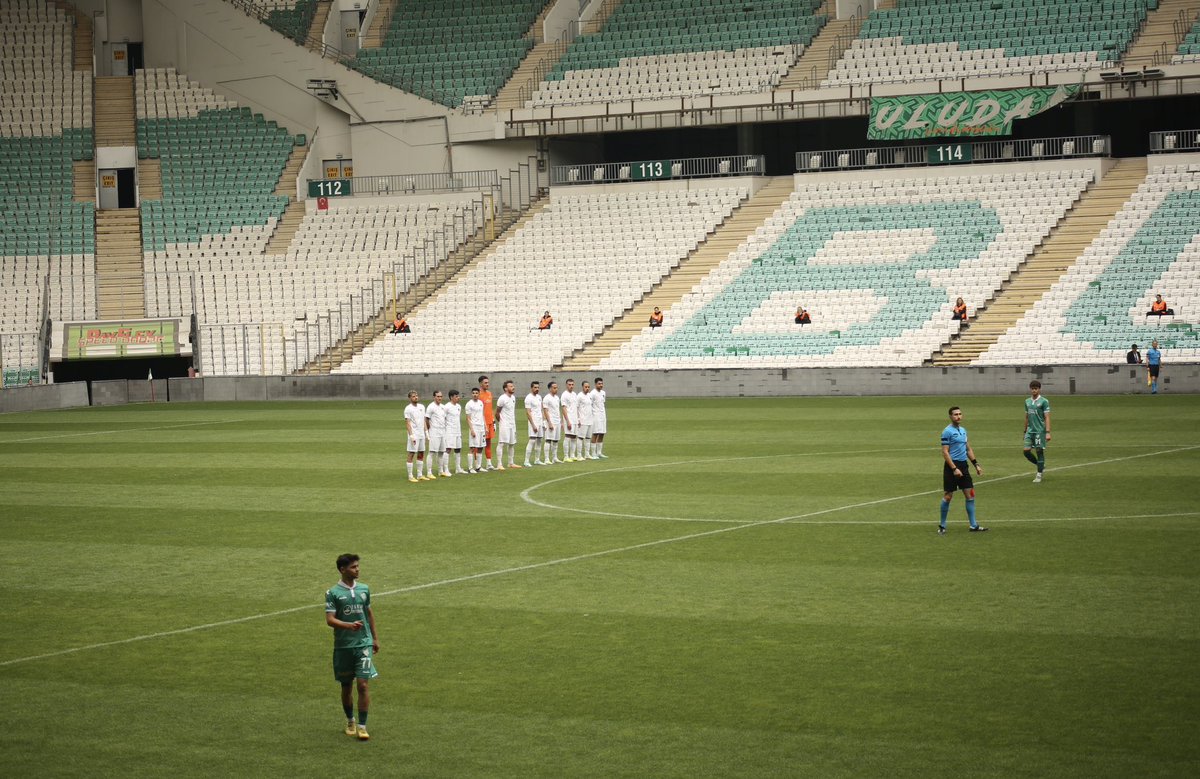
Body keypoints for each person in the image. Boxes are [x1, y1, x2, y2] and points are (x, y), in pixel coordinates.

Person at [324, 553, 379, 741]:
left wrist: (374, 639)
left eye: (357, 566)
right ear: (342, 570)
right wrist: (349, 626)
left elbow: (369, 613)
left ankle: (363, 726)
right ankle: (350, 720)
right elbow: (330, 620)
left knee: (363, 685)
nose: (358, 569)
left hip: (363, 645)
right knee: (346, 687)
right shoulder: (332, 593)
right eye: (354, 567)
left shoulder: (364, 589)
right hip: (343, 647)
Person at [939, 405, 986, 534]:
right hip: (951, 467)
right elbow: (945, 452)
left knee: (970, 495)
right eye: (955, 414)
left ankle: (973, 525)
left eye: (960, 414)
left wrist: (976, 464)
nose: (958, 416)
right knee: (948, 496)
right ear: (950, 416)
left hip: (964, 466)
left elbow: (968, 449)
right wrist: (954, 468)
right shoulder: (947, 432)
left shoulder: (963, 430)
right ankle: (942, 526)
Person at [1021, 380, 1051, 483]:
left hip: (1039, 431)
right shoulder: (1027, 402)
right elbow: (1026, 417)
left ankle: (1039, 475)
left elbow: (1047, 417)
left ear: (1039, 389)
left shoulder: (1044, 401)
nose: (1034, 390)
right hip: (1030, 431)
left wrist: (1047, 432)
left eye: (1036, 388)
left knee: (1039, 450)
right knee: (1026, 451)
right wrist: (1025, 431)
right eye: (1032, 388)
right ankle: (1040, 464)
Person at [495, 380, 520, 469]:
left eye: (513, 386)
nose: (513, 387)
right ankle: (499, 464)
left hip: (512, 424)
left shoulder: (513, 397)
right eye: (510, 386)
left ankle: (511, 463)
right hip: (504, 424)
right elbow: (497, 412)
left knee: (512, 443)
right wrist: (501, 422)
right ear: (506, 388)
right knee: (502, 443)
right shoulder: (502, 398)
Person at [404, 390, 427, 483]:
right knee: (411, 453)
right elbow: (407, 423)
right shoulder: (408, 409)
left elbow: (424, 420)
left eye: (416, 395)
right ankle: (410, 476)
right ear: (410, 398)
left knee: (421, 453)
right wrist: (411, 435)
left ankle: (420, 474)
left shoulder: (422, 407)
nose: (416, 397)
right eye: (413, 396)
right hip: (414, 434)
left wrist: (427, 433)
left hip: (421, 434)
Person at [425, 390, 447, 479]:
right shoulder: (431, 407)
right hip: (434, 432)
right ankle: (429, 472)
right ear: (434, 397)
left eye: (441, 396)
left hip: (442, 432)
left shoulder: (443, 407)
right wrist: (429, 430)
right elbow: (426, 419)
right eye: (438, 396)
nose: (440, 398)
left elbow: (444, 419)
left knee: (441, 452)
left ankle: (440, 471)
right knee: (432, 452)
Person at [465, 387, 486, 473]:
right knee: (472, 448)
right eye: (473, 393)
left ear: (479, 394)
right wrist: (472, 430)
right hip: (474, 427)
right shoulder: (469, 404)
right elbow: (468, 418)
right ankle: (470, 468)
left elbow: (482, 415)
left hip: (481, 427)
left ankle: (478, 466)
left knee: (481, 447)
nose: (475, 394)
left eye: (476, 393)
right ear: (471, 394)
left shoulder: (481, 403)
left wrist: (485, 426)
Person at [523, 381, 544, 467]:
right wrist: (533, 424)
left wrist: (543, 422)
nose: (537, 389)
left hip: (540, 421)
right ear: (531, 388)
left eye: (538, 387)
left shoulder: (539, 397)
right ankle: (526, 461)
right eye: (535, 387)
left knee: (539, 440)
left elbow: (541, 410)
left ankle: (537, 459)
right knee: (532, 440)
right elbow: (528, 412)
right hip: (533, 421)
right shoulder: (528, 398)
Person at [444, 390, 465, 475]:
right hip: (449, 431)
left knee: (458, 449)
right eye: (456, 396)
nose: (458, 397)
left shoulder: (458, 406)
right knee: (448, 449)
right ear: (451, 397)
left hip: (457, 431)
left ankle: (458, 468)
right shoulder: (446, 407)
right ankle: (445, 469)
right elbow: (443, 419)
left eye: (458, 396)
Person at [542, 380, 562, 464]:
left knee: (556, 440)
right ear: (550, 389)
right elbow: (545, 411)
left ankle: (554, 457)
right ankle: (546, 459)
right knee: (548, 440)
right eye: (554, 388)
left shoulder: (557, 398)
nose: (556, 389)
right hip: (551, 421)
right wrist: (549, 422)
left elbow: (557, 409)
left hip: (557, 421)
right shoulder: (547, 398)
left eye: (556, 387)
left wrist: (560, 420)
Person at [478, 375, 496, 469]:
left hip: (489, 422)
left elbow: (490, 408)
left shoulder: (489, 393)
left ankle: (489, 463)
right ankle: (478, 465)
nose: (487, 384)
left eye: (488, 382)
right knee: (479, 443)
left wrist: (493, 420)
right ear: (480, 383)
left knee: (489, 442)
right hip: (481, 423)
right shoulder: (478, 395)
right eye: (485, 383)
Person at [561, 378, 579, 462]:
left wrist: (578, 419)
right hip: (569, 418)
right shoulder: (564, 395)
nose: (571, 386)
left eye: (572, 384)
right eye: (569, 384)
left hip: (575, 418)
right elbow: (564, 409)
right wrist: (567, 421)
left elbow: (576, 407)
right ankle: (566, 456)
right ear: (566, 385)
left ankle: (572, 455)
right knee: (567, 436)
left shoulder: (575, 394)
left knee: (574, 437)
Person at [589, 377, 608, 459]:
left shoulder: (603, 393)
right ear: (595, 384)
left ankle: (599, 452)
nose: (601, 385)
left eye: (602, 384)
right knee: (595, 433)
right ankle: (593, 454)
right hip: (595, 415)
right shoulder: (592, 393)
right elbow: (590, 405)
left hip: (602, 415)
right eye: (599, 384)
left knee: (602, 433)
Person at [577, 380, 594, 460]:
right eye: (585, 387)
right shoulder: (579, 396)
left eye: (588, 387)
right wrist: (578, 419)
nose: (587, 388)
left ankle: (587, 454)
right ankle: (579, 455)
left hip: (590, 419)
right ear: (582, 387)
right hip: (582, 420)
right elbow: (576, 408)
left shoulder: (590, 395)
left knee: (588, 438)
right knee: (580, 437)